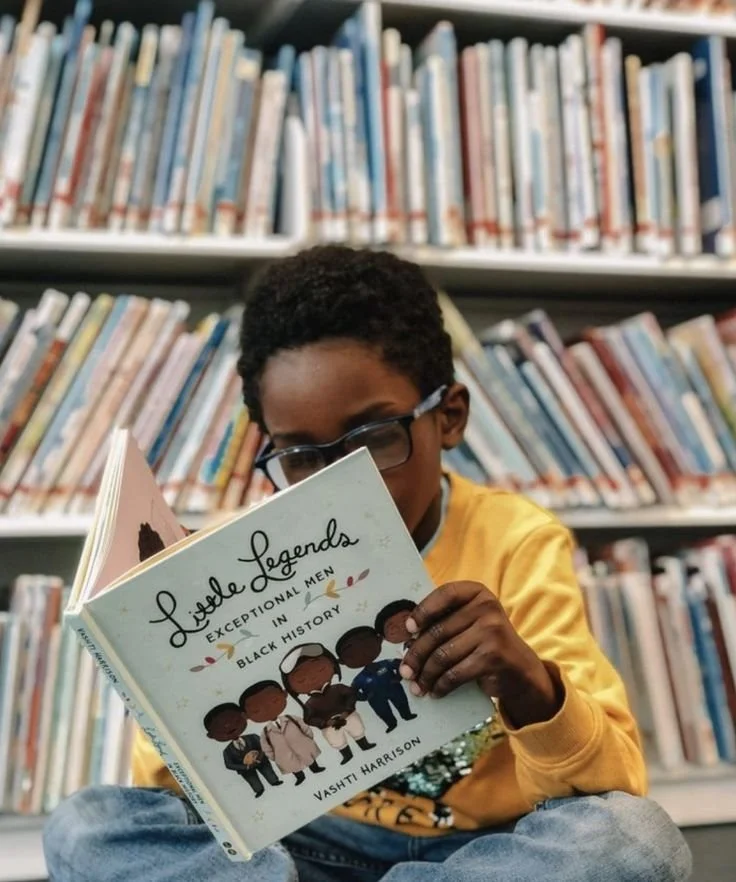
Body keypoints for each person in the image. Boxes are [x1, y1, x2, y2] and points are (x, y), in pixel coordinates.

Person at [44, 246, 692, 882]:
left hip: (475, 855)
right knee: (83, 828)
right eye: (300, 455)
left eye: (375, 438)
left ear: (449, 417)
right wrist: (173, 690)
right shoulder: (236, 559)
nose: (338, 486)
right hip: (300, 850)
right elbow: (180, 800)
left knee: (636, 843)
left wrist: (527, 681)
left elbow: (612, 784)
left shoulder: (516, 540)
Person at [280, 643, 376, 764]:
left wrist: (347, 710)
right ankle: (346, 755)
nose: (313, 678)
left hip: (347, 715)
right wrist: (324, 722)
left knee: (356, 727)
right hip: (329, 725)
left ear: (332, 665)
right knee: (335, 739)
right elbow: (309, 718)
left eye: (321, 669)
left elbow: (351, 694)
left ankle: (364, 744)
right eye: (301, 679)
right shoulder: (310, 703)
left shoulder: (337, 688)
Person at [239, 680, 325, 785]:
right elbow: (266, 747)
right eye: (257, 711)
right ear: (247, 716)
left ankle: (315, 768)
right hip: (283, 754)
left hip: (303, 744)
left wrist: (308, 739)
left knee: (309, 757)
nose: (268, 709)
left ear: (284, 694)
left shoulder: (291, 718)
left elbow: (304, 728)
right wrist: (274, 757)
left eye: (274, 701)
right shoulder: (266, 732)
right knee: (293, 766)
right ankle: (300, 777)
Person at [336, 625, 417, 732]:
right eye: (353, 654)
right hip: (376, 698)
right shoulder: (359, 678)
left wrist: (398, 677)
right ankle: (391, 724)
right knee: (383, 711)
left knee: (402, 702)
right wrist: (364, 697)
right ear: (342, 662)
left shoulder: (384, 664)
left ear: (378, 640)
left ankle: (407, 715)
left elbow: (398, 663)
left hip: (393, 687)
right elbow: (353, 691)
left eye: (367, 647)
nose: (362, 654)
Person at [203, 703, 283, 799]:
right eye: (221, 728)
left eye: (234, 721)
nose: (228, 726)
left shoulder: (252, 737)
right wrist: (245, 766)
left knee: (267, 770)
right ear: (211, 736)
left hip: (261, 761)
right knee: (252, 779)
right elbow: (229, 764)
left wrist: (259, 757)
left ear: (244, 717)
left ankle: (274, 781)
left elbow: (263, 745)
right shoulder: (227, 751)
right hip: (245, 769)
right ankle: (258, 790)